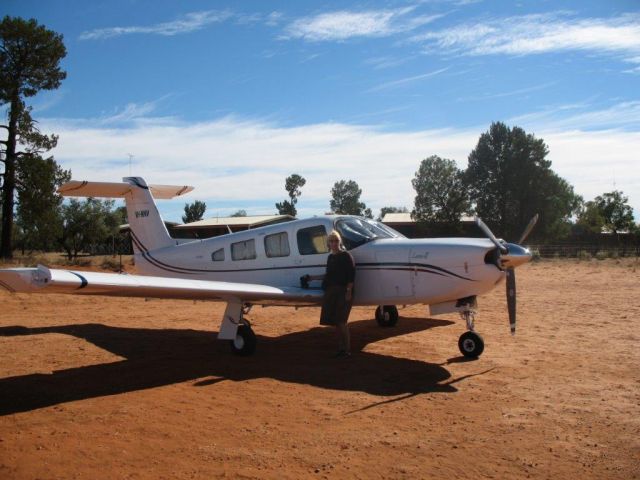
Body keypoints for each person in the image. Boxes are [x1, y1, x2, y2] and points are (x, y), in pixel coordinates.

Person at [302, 230, 355, 358]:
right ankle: (341, 348)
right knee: (337, 322)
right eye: (331, 241)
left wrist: (348, 291)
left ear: (339, 242)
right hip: (332, 292)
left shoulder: (346, 255)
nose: (334, 243)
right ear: (328, 243)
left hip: (343, 291)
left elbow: (351, 275)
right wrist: (312, 278)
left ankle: (347, 350)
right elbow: (328, 275)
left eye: (336, 240)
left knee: (342, 322)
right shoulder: (330, 257)